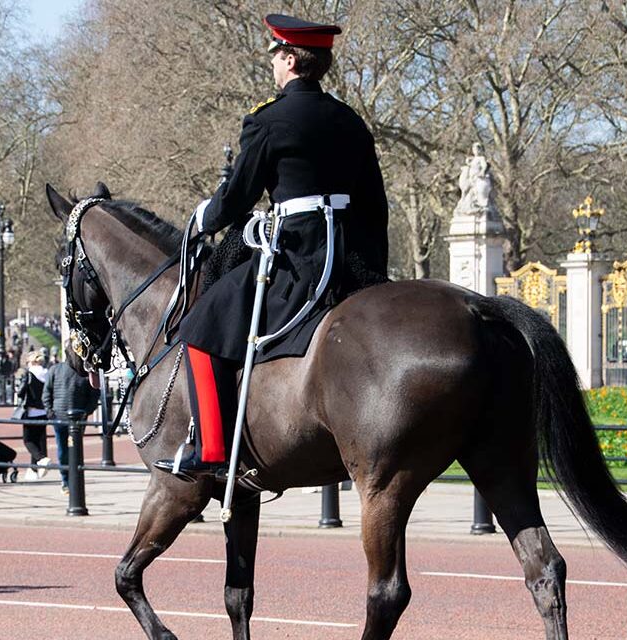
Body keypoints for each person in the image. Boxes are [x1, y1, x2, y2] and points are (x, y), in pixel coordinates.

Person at [154, 13, 389, 478]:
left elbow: (238, 196)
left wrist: (202, 218)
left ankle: (212, 450)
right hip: (350, 255)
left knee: (200, 326)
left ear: (288, 58)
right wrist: (370, 269)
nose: (273, 67)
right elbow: (376, 204)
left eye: (275, 58)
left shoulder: (268, 119)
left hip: (297, 253)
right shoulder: (350, 121)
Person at [43, 357, 99, 495]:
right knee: (66, 451)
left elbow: (94, 394)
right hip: (61, 417)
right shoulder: (55, 369)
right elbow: (47, 392)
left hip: (75, 417)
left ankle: (73, 480)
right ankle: (67, 480)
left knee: (71, 451)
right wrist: (50, 411)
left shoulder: (84, 372)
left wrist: (86, 411)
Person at [16, 351, 50, 479]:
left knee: (28, 440)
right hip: (43, 411)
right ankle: (34, 470)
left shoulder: (28, 374)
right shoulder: (47, 373)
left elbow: (20, 392)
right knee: (38, 439)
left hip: (31, 411)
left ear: (31, 361)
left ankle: (41, 459)